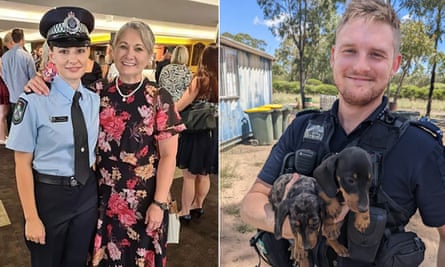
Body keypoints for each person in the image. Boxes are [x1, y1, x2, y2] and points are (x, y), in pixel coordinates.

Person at [240, 1, 445, 267]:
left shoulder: (420, 147)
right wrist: (298, 225)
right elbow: (250, 204)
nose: (361, 66)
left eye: (376, 54)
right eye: (350, 51)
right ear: (333, 56)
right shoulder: (301, 129)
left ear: (395, 64)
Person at [25, 20, 185, 266]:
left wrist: (158, 203)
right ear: (112, 51)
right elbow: (64, 79)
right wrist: (39, 79)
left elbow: (168, 157)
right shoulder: (97, 92)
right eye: (123, 46)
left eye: (139, 48)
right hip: (99, 201)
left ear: (150, 55)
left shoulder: (159, 99)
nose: (129, 55)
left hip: (143, 204)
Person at [6, 6, 100, 267]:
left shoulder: (94, 99)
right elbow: (21, 163)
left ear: (88, 53)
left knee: (77, 261)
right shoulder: (33, 100)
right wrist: (31, 217)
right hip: (49, 198)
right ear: (51, 55)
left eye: (80, 50)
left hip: (86, 194)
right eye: (64, 51)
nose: (73, 59)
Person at [175, 45, 218, 223]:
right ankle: (198, 205)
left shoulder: (200, 80)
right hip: (211, 132)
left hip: (194, 133)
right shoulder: (219, 81)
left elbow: (180, 105)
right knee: (204, 173)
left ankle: (184, 210)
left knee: (189, 176)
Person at [1, 28, 36, 131]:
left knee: (14, 125)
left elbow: (4, 77)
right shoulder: (27, 56)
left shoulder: (5, 57)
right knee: (25, 126)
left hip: (12, 97)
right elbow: (33, 78)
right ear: (23, 39)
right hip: (25, 97)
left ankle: (13, 145)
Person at [0, 38, 9, 144]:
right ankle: (2, 137)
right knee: (2, 114)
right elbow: (3, 74)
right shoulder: (0, 59)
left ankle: (2, 136)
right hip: (1, 86)